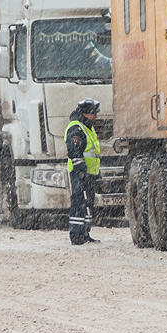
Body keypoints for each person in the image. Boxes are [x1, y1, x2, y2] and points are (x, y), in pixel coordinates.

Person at [65, 98, 102, 245]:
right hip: (79, 173)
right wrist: (80, 171)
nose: (96, 116)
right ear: (86, 114)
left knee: (87, 203)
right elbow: (74, 152)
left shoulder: (87, 126)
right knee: (79, 203)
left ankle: (85, 233)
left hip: (88, 173)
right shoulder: (76, 128)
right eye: (94, 113)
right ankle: (76, 235)